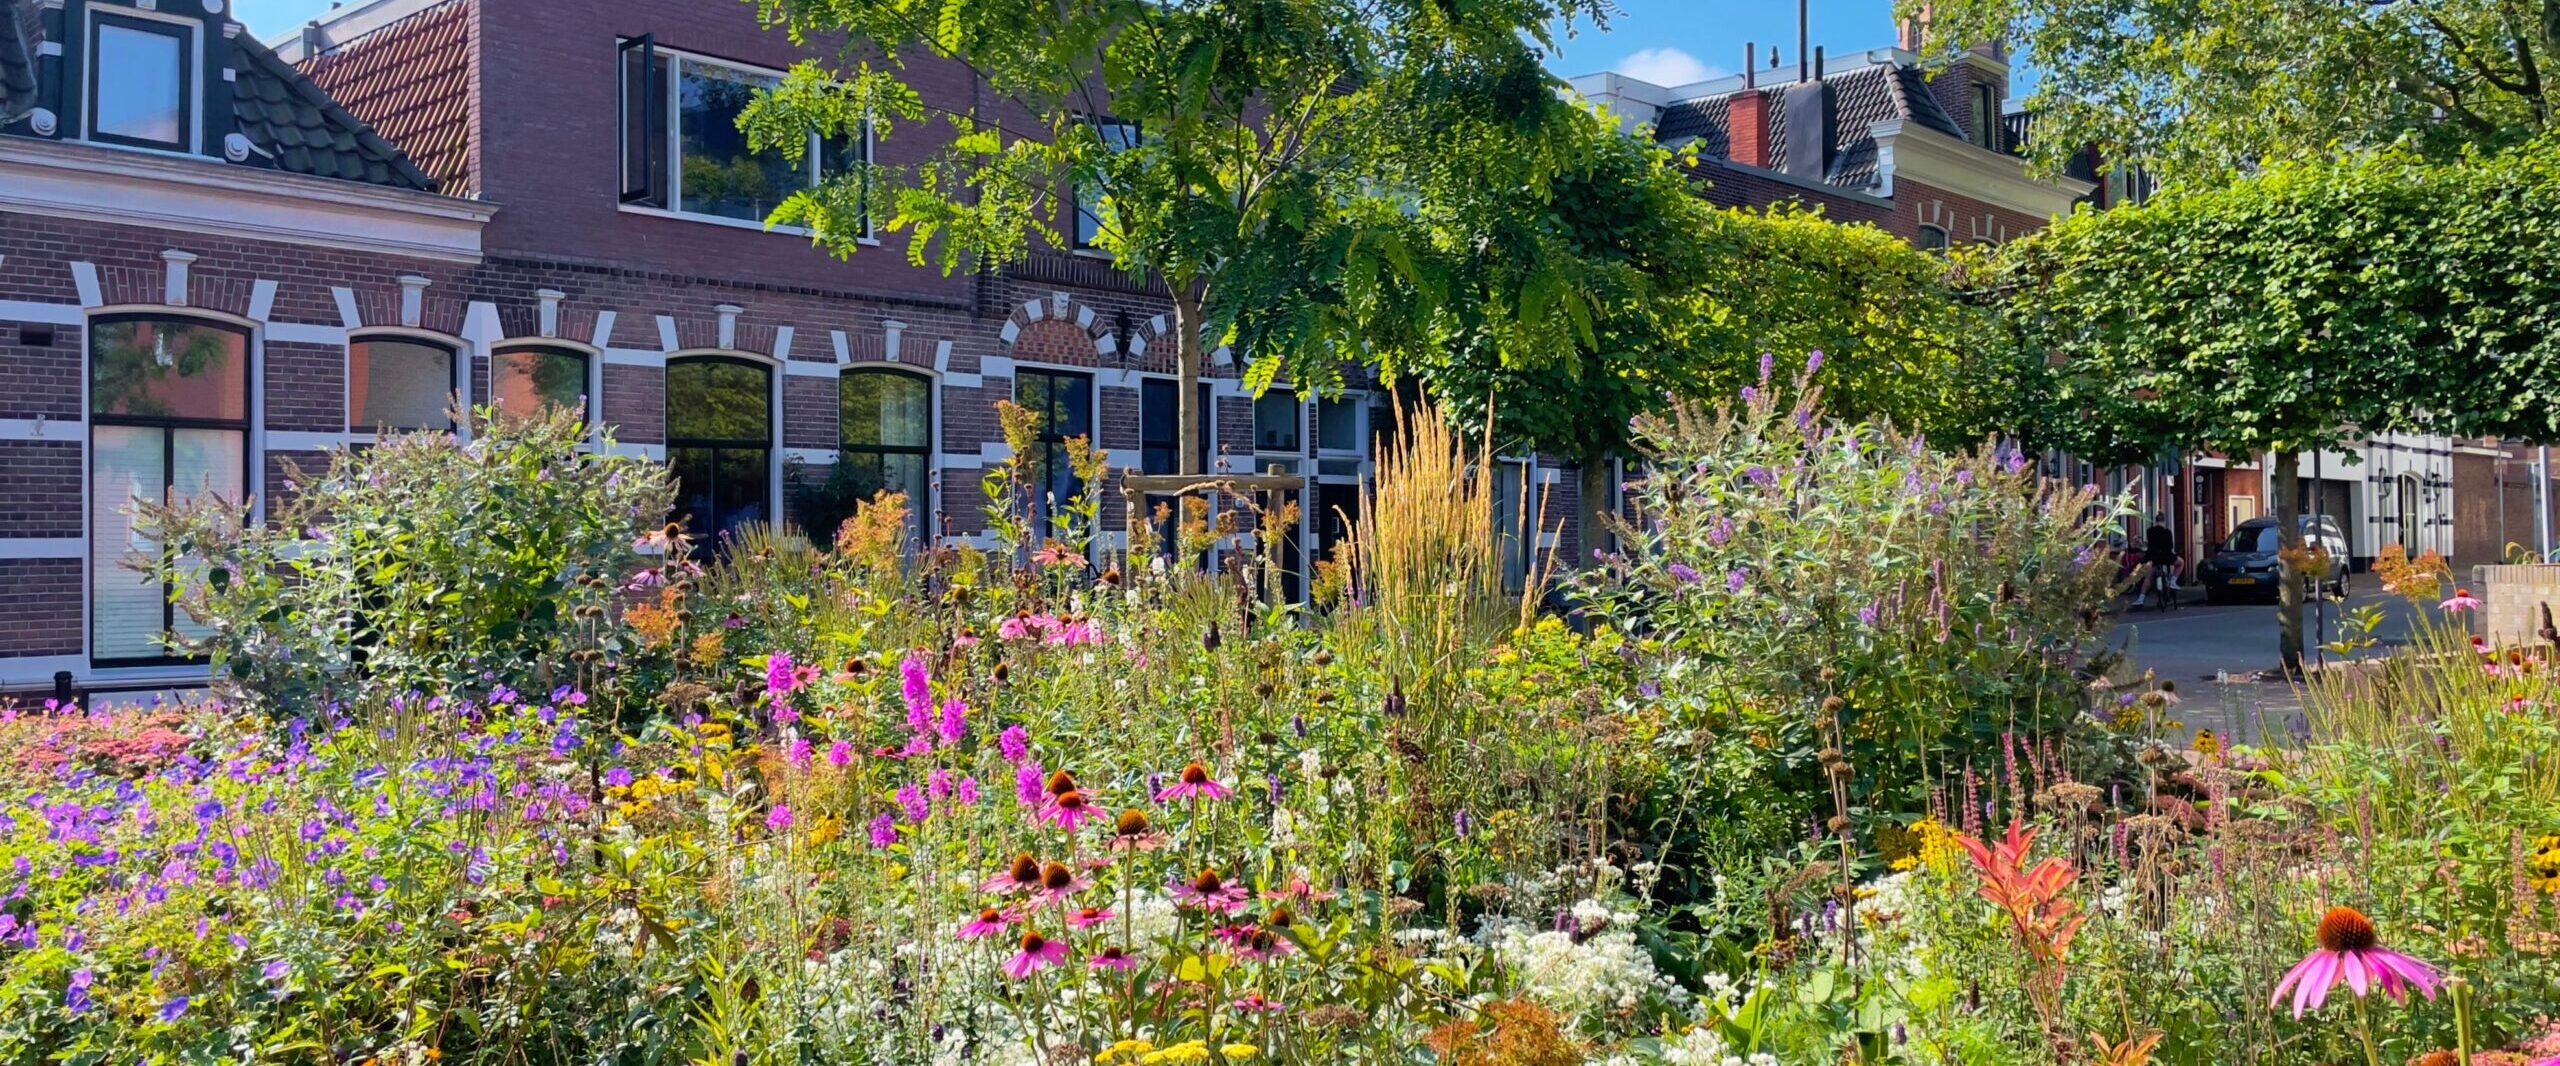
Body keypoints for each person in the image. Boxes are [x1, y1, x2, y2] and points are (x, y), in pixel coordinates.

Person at [2143, 513, 2179, 610]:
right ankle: (2173, 581)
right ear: (2164, 521)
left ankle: (2140, 598)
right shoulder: (2167, 532)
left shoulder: (2149, 531)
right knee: (2180, 563)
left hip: (2153, 557)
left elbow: (2150, 544)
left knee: (2149, 575)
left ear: (2156, 521)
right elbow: (2170, 546)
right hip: (2166, 557)